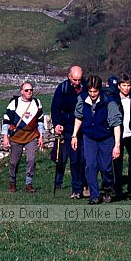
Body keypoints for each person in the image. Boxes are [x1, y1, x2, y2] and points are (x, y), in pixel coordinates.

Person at [71, 74, 122, 204]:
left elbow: (116, 124)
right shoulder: (82, 99)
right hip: (89, 138)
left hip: (106, 137)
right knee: (90, 165)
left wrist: (117, 145)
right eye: (90, 91)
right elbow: (78, 117)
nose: (92, 94)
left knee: (106, 168)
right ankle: (94, 195)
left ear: (100, 90)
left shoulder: (108, 101)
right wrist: (74, 135)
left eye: (95, 91)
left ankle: (107, 187)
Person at [49, 65, 87, 198]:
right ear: (69, 76)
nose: (77, 82)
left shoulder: (86, 87)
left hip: (82, 128)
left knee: (82, 159)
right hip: (66, 127)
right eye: (75, 80)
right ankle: (74, 187)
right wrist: (57, 123)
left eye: (79, 80)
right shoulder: (62, 88)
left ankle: (83, 185)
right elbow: (55, 108)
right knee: (68, 159)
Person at [2, 81, 45, 194]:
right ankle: (12, 183)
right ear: (22, 92)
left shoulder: (37, 102)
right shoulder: (14, 103)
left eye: (31, 90)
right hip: (16, 137)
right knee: (14, 162)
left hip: (31, 136)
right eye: (26, 90)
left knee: (31, 160)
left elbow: (40, 120)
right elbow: (6, 120)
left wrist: (41, 135)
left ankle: (29, 184)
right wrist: (5, 137)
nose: (29, 92)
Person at [113, 74, 131, 199]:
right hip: (119, 134)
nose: (126, 88)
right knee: (117, 161)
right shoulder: (114, 99)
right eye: (124, 85)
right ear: (119, 86)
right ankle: (118, 186)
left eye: (128, 85)